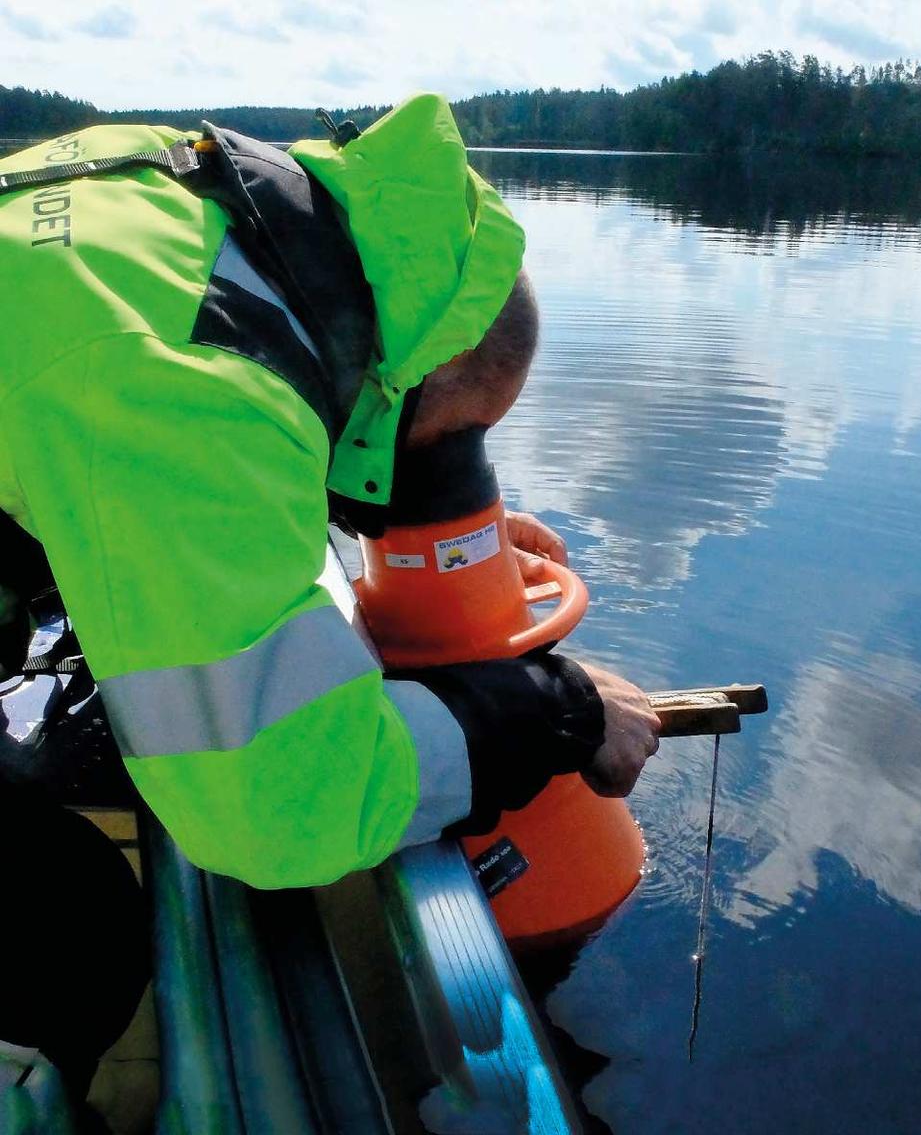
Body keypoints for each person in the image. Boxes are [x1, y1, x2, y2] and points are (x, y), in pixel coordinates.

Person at [0, 95, 659, 1074]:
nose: (423, 481)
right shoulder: (180, 394)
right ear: (394, 380)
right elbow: (281, 807)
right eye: (440, 450)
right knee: (71, 941)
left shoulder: (204, 210)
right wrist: (548, 712)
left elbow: (205, 426)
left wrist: (450, 545)